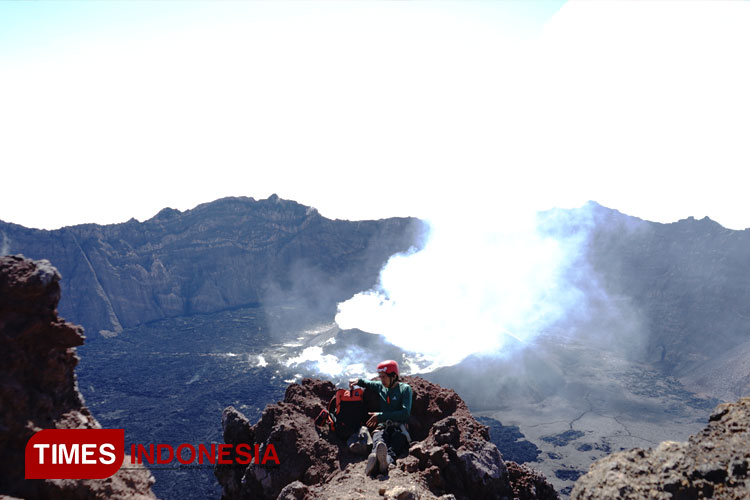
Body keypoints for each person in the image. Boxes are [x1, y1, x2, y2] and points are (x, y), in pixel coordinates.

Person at [349, 359, 413, 476]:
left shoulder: (405, 389)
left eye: (384, 377)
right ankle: (376, 459)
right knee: (379, 442)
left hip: (399, 428)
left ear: (393, 376)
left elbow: (405, 413)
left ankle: (384, 462)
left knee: (395, 444)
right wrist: (358, 381)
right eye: (380, 377)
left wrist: (380, 416)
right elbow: (368, 383)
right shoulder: (381, 387)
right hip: (383, 427)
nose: (381, 380)